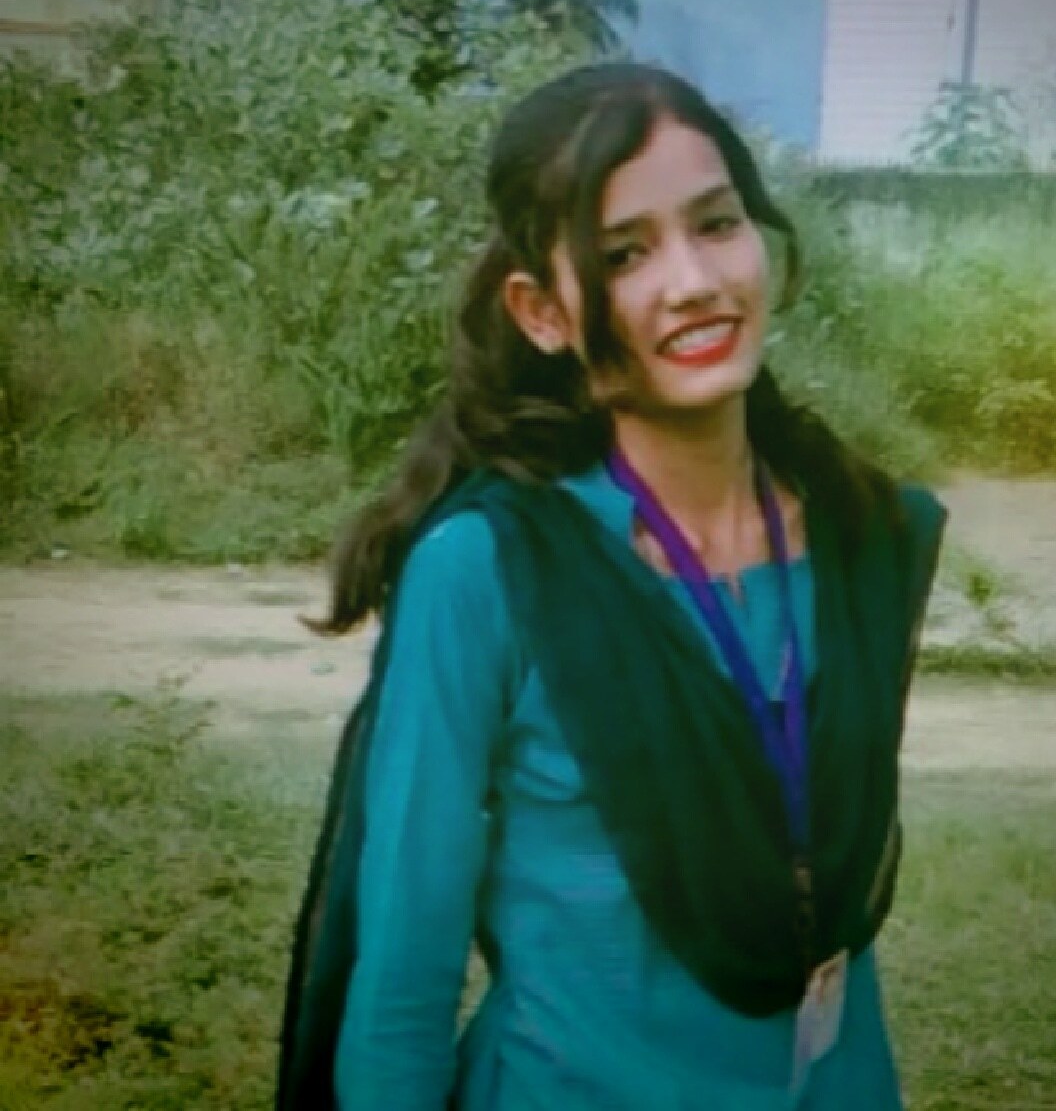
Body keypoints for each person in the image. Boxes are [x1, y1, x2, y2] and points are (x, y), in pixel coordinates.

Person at [275, 62, 947, 1111]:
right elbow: (402, 980)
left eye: (716, 224)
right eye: (624, 253)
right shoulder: (492, 570)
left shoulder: (860, 534)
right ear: (542, 311)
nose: (694, 281)